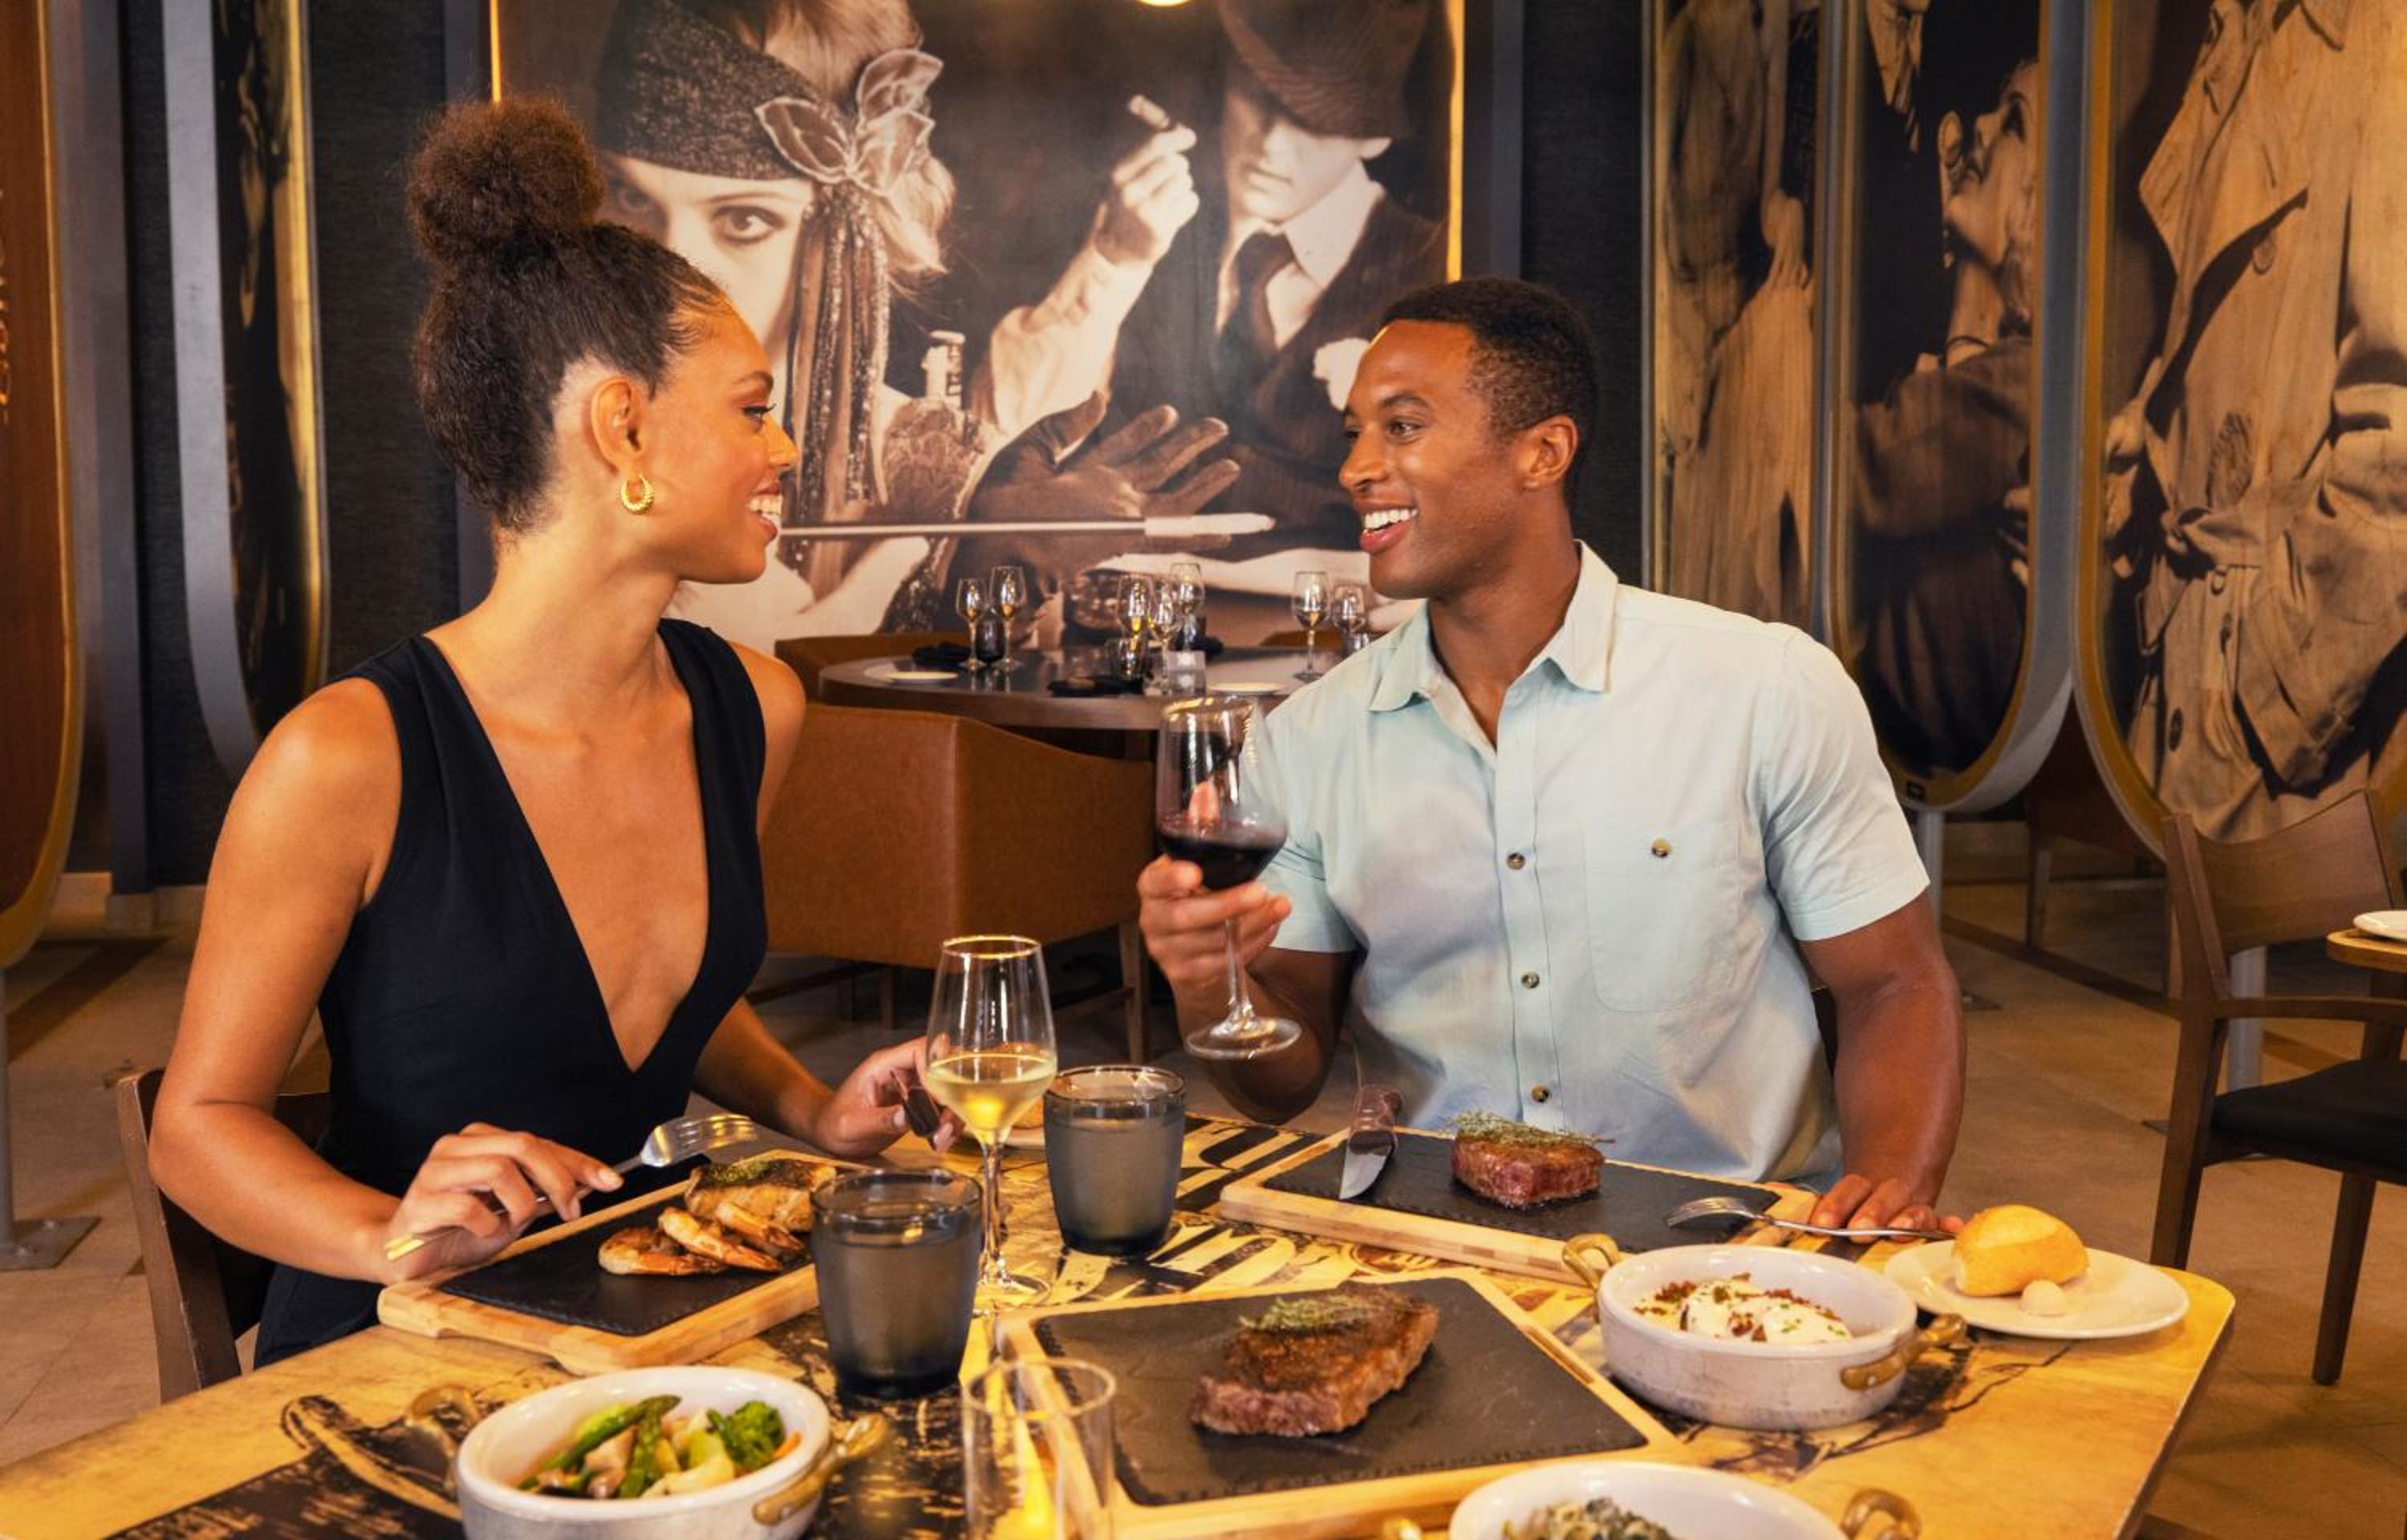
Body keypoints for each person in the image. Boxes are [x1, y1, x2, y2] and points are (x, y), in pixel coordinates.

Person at [149, 98, 956, 1364]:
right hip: (401, 1344)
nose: (786, 447)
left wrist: (815, 1108)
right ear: (623, 429)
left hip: (645, 1303)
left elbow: (658, 1000)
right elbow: (197, 1128)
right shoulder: (346, 759)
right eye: (752, 409)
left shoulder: (755, 708)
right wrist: (388, 1233)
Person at [1138, 278, 1967, 1231]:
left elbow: (1894, 983)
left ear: (1543, 453)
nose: (1358, 468)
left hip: (1721, 1242)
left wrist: (1890, 1190)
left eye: (1402, 427)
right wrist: (1209, 985)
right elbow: (1281, 1085)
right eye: (1355, 434)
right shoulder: (1309, 737)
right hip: (1435, 1240)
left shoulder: (1766, 689)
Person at [593, 0, 1237, 649]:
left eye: (743, 221)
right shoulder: (562, 435)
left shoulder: (934, 478)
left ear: (848, 236)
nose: (668, 269)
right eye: (631, 197)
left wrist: (964, 598)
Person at [980, 0, 1446, 564]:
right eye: (1258, 97)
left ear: (1375, 136)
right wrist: (1114, 262)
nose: (1272, 145)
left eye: (1313, 120)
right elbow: (995, 441)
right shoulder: (1138, 221)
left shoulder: (1437, 267)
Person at [2102, 0, 2407, 841]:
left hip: (2279, 735)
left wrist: (2274, 688)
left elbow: (2398, 442)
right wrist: (2151, 436)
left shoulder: (2381, 38)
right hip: (2186, 678)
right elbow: (2230, 347)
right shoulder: (2236, 37)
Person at [1850, 53, 2039, 778]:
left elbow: (1861, 467)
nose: (1980, 127)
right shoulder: (2002, 368)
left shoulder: (2024, 381)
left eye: (2014, 122)